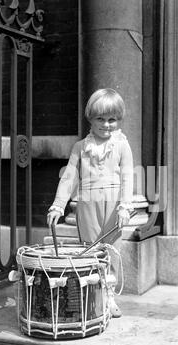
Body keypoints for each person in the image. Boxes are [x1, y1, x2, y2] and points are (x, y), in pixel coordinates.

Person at [47, 88, 134, 318]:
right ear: (91, 119)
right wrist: (58, 204)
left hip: (113, 206)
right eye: (101, 119)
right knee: (90, 251)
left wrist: (125, 205)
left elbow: (127, 176)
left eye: (112, 119)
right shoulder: (80, 147)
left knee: (112, 252)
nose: (106, 125)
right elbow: (69, 177)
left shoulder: (122, 145)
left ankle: (110, 296)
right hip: (88, 206)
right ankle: (94, 296)